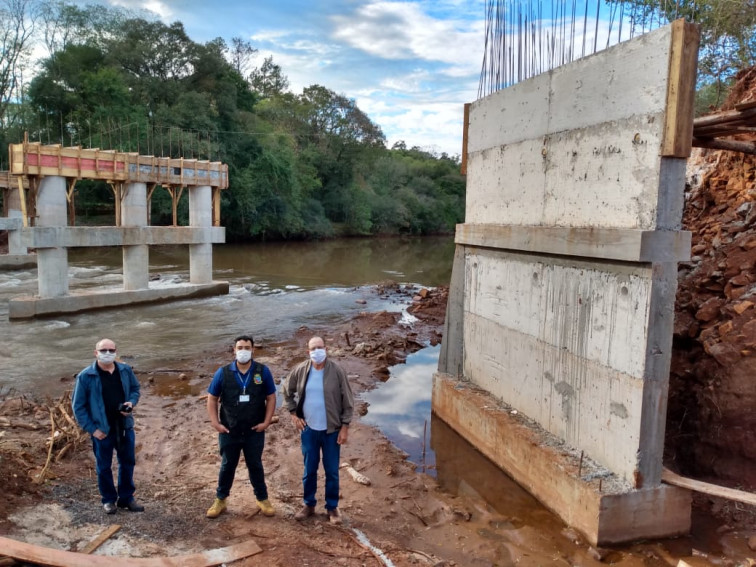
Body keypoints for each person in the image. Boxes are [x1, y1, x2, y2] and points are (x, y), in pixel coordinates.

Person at [283, 336, 354, 525]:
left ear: (326, 348)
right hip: (309, 430)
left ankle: (332, 507)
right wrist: (293, 414)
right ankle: (309, 504)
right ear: (308, 352)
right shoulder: (300, 370)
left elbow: (348, 402)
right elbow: (286, 391)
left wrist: (345, 427)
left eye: (320, 347)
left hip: (332, 430)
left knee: (331, 471)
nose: (317, 351)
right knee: (309, 469)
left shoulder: (337, 371)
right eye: (313, 348)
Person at [206, 335, 277, 519]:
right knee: (227, 465)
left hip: (254, 430)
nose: (243, 351)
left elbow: (271, 397)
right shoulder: (223, 372)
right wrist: (215, 423)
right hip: (230, 430)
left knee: (255, 465)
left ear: (253, 349)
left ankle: (262, 499)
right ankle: (220, 499)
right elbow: (212, 398)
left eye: (247, 347)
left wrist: (267, 421)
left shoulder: (262, 371)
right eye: (240, 347)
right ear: (234, 350)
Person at [72, 338, 144, 514]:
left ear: (116, 352)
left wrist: (131, 403)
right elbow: (78, 407)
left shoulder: (125, 370)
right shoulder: (86, 376)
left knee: (127, 462)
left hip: (124, 426)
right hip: (102, 430)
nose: (108, 353)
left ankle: (126, 498)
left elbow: (135, 389)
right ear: (95, 353)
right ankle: (108, 500)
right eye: (103, 350)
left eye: (111, 350)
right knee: (104, 466)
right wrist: (92, 430)